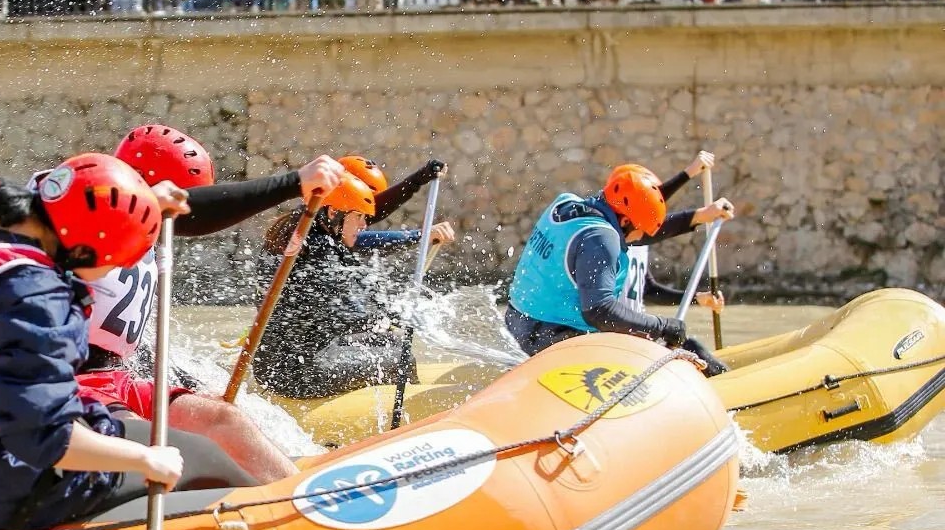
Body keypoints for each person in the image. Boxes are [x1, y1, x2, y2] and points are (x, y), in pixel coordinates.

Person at [0, 153, 255, 530]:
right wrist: (145, 460)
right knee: (203, 457)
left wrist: (134, 206)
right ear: (79, 253)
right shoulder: (33, 297)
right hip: (0, 487)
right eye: (113, 262)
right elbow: (46, 438)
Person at [74, 126, 345, 482]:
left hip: (116, 381)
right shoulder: (89, 218)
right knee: (155, 439)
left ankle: (300, 498)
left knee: (221, 417)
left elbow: (135, 350)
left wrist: (193, 386)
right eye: (180, 198)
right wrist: (293, 183)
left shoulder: (148, 237)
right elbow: (195, 213)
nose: (183, 212)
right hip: (71, 386)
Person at [503, 154, 733, 375]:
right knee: (688, 349)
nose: (637, 240)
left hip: (518, 322)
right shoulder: (601, 239)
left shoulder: (567, 205)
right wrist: (662, 326)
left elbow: (636, 220)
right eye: (637, 230)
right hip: (554, 337)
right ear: (624, 221)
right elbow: (600, 311)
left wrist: (699, 217)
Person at [252, 156, 456, 400]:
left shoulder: (308, 228)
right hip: (296, 374)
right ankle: (406, 421)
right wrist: (404, 316)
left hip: (281, 363)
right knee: (402, 356)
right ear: (334, 211)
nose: (365, 225)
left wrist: (419, 181)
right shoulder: (320, 251)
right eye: (360, 217)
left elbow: (347, 308)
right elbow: (353, 315)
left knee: (388, 340)